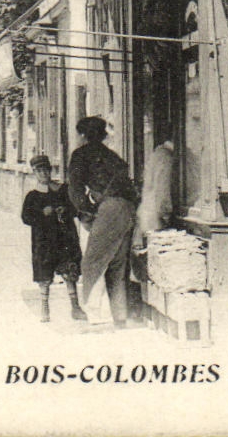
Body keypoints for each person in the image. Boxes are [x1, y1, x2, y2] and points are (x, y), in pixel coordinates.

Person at [68, 116, 138, 328]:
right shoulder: (113, 157)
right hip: (127, 209)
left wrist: (86, 212)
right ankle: (120, 316)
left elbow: (75, 191)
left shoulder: (80, 155)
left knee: (92, 263)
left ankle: (95, 314)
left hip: (108, 209)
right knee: (117, 263)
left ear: (82, 135)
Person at [21, 154, 84, 323]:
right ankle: (44, 308)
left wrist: (65, 210)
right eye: (39, 171)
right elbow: (26, 217)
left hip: (65, 239)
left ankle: (75, 307)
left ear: (50, 171)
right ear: (35, 173)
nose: (43, 174)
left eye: (46, 170)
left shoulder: (62, 190)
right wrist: (42, 214)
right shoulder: (32, 196)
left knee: (69, 272)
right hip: (44, 241)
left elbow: (75, 209)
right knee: (44, 276)